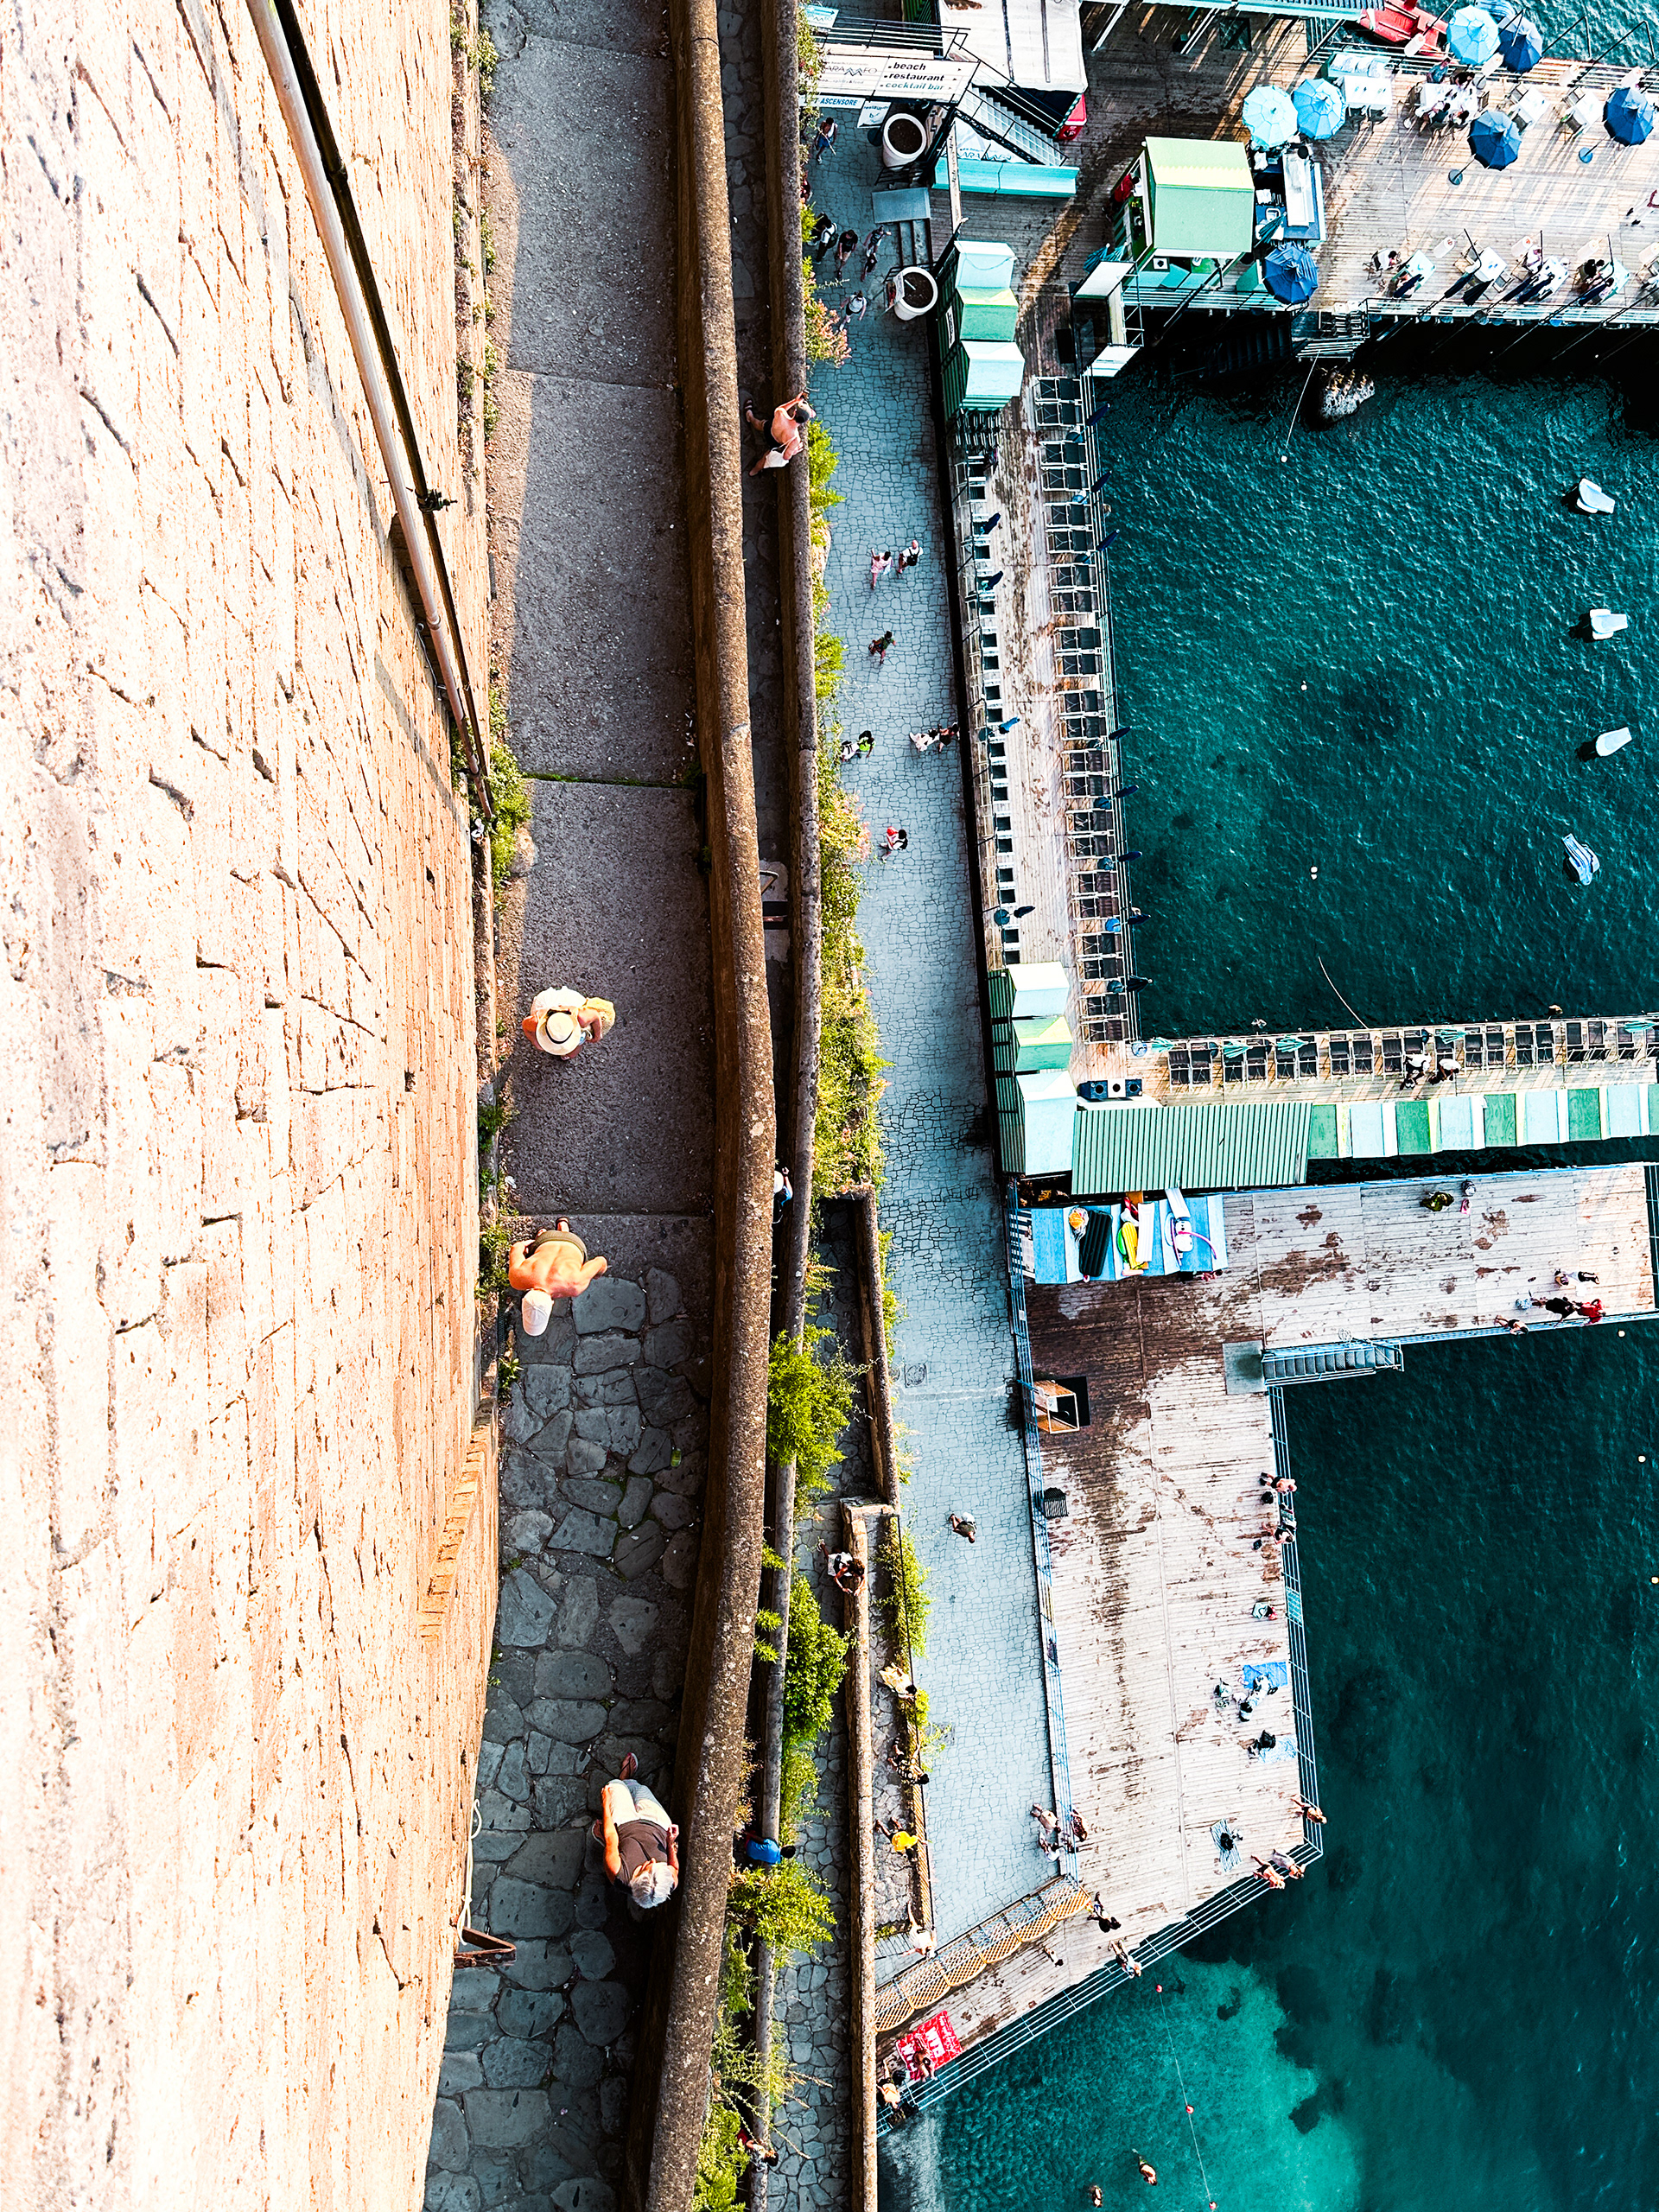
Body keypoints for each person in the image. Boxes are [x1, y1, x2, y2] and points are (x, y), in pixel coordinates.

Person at [595, 1752, 679, 1910]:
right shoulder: (668, 1881)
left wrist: (605, 1803)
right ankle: (628, 1782)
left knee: (614, 1786)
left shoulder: (618, 1874)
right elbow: (674, 1868)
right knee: (641, 1790)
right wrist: (670, 1843)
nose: (654, 1861)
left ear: (638, 1878)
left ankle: (623, 1779)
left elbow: (611, 1837)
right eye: (658, 1865)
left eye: (647, 1866)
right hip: (657, 1823)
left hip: (624, 1824)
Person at [509, 1219, 609, 1332]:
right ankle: (556, 1230)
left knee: (576, 1262)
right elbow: (517, 1247)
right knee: (532, 1255)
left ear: (551, 1304)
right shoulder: (516, 1279)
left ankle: (564, 1227)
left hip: (574, 1243)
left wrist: (597, 1274)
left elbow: (601, 1261)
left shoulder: (574, 1286)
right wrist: (532, 1245)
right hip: (546, 1239)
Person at [523, 988, 615, 1058]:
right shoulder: (537, 1021)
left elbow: (595, 1015)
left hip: (570, 1005)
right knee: (572, 1052)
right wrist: (536, 1043)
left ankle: (568, 1049)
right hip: (551, 1005)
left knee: (573, 1053)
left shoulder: (581, 1018)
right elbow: (525, 1024)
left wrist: (597, 1035)